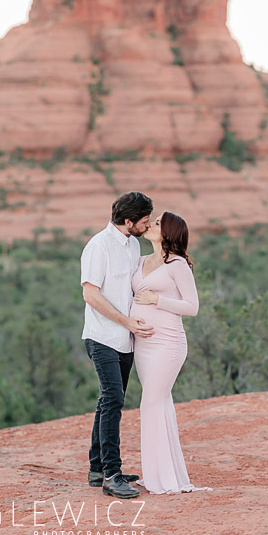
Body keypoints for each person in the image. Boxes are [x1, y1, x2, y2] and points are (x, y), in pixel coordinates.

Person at [80, 191, 155, 499]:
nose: (147, 226)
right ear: (129, 221)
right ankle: (112, 475)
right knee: (113, 400)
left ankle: (97, 469)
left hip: (125, 340)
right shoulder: (98, 246)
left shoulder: (133, 244)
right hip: (102, 337)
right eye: (145, 221)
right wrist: (125, 322)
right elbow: (90, 294)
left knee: (108, 400)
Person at [132, 211, 210, 494]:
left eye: (156, 224)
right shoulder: (140, 261)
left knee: (151, 402)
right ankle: (160, 473)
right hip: (144, 345)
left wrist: (157, 300)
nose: (151, 226)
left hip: (167, 343)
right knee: (158, 403)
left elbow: (192, 306)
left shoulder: (178, 265)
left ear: (168, 233)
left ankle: (161, 478)